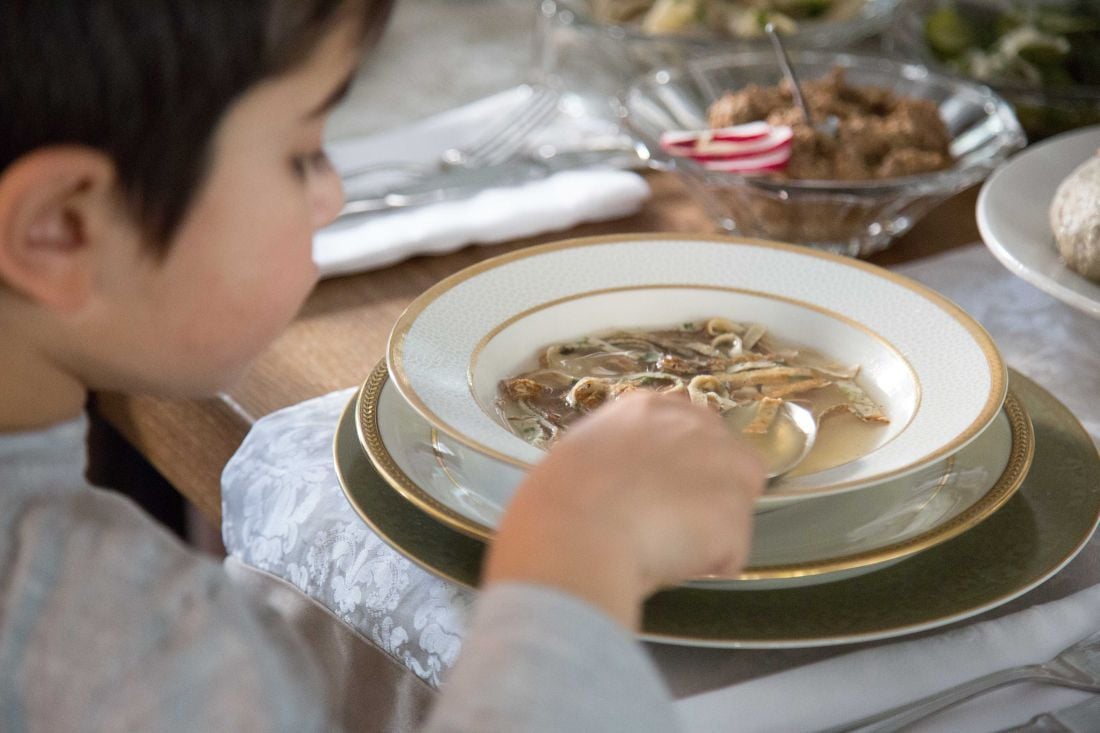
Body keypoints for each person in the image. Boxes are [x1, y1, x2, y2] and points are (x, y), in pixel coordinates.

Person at [0, 1, 765, 731]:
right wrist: (574, 555)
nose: (330, 196)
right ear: (60, 229)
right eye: (301, 154)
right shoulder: (130, 654)